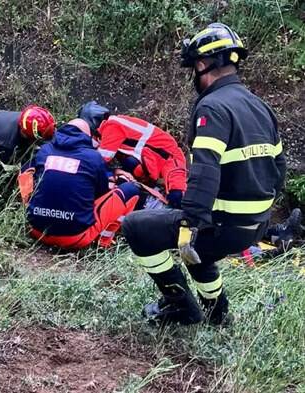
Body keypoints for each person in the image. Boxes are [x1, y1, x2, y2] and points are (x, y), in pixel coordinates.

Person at [122, 23, 287, 326]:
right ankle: (217, 312)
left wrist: (190, 223)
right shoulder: (259, 106)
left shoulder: (212, 106)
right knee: (200, 239)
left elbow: (204, 170)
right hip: (255, 225)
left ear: (201, 65)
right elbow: (279, 170)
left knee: (136, 227)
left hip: (226, 225)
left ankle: (180, 307)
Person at [23, 119, 140, 249]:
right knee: (131, 190)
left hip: (36, 230)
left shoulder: (44, 150)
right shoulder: (93, 157)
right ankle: (104, 242)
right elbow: (102, 193)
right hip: (76, 238)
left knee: (27, 169)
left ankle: (27, 209)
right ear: (87, 137)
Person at [78, 102, 187, 208]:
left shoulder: (111, 126)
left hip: (170, 158)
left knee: (177, 195)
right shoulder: (112, 125)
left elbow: (99, 159)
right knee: (130, 164)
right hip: (154, 160)